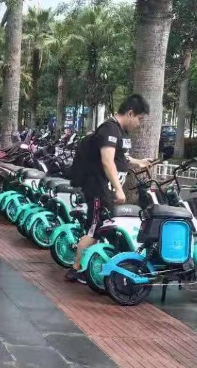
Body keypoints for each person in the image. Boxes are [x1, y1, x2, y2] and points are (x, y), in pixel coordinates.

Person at [66, 94, 154, 283]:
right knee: (94, 229)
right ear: (130, 113)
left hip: (107, 191)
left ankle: (96, 264)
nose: (138, 124)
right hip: (99, 190)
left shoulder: (119, 132)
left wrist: (139, 162)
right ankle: (75, 269)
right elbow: (107, 161)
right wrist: (118, 188)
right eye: (139, 119)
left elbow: (120, 157)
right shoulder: (109, 129)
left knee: (103, 227)